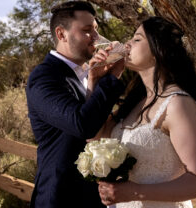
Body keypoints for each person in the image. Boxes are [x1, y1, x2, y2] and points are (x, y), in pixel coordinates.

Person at [90, 16, 196, 208]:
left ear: (158, 51)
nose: (127, 44)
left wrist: (132, 192)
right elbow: (93, 138)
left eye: (137, 39)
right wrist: (95, 83)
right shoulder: (134, 102)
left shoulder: (177, 103)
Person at [26, 1, 125, 208]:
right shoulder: (44, 77)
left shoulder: (88, 73)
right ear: (61, 34)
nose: (96, 38)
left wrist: (95, 82)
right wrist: (113, 76)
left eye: (96, 30)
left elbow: (94, 128)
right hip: (60, 197)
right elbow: (82, 124)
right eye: (87, 31)